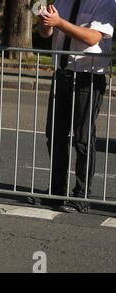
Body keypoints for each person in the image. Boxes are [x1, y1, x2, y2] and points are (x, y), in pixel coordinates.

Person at [37, 1, 115, 212]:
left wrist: (59, 22)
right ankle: (56, 192)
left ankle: (81, 195)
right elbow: (46, 34)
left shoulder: (105, 2)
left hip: (87, 77)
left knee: (82, 139)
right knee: (55, 136)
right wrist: (46, 24)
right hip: (62, 73)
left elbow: (92, 37)